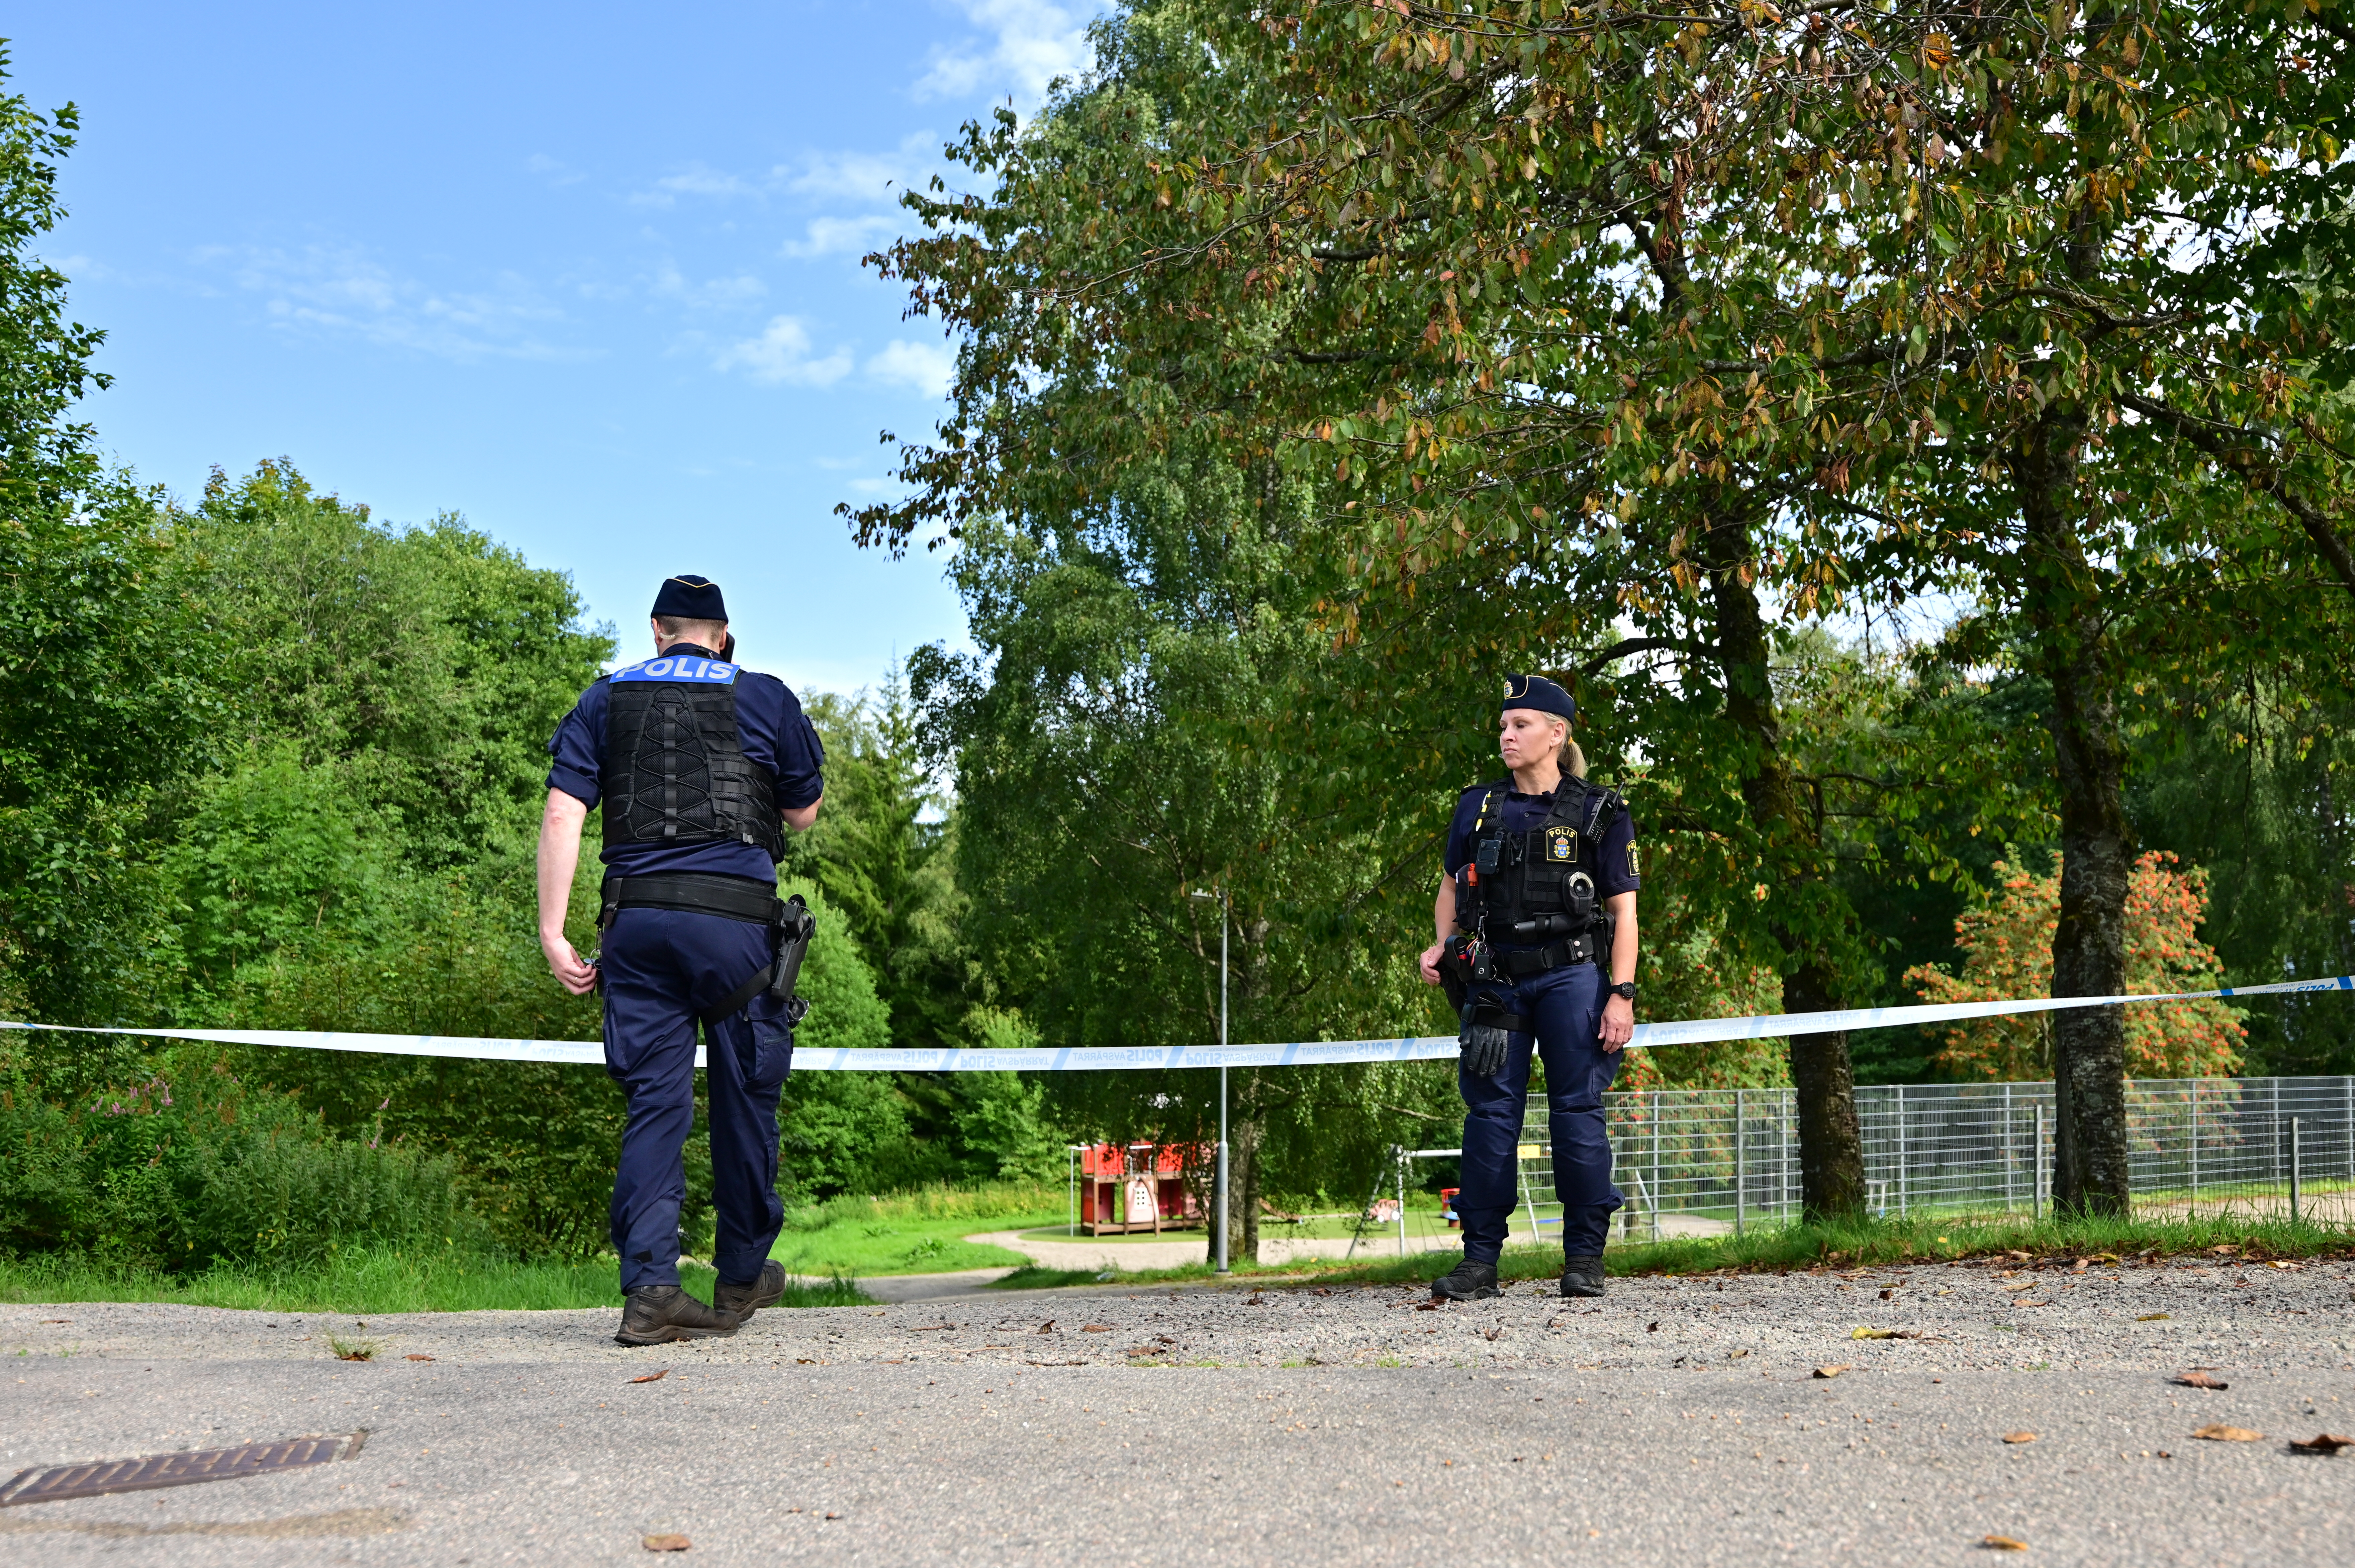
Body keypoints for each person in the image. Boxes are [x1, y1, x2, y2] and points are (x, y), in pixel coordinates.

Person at [538, 574, 826, 1345]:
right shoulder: (765, 695)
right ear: (722, 637)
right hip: (733, 931)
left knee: (655, 1105)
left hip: (635, 924)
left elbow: (565, 810)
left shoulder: (604, 698)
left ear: (657, 630)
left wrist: (553, 931)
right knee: (746, 1095)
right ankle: (739, 1277)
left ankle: (651, 1291)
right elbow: (802, 813)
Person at [1418, 674, 1639, 1301]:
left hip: (1574, 976)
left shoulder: (1602, 810)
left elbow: (1624, 913)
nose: (1506, 736)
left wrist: (1621, 994)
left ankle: (1585, 1260)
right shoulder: (1478, 808)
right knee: (1490, 1117)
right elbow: (1450, 890)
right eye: (1503, 727)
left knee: (1577, 1114)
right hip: (1496, 981)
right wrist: (1443, 945)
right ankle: (1479, 1264)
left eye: (1520, 725)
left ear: (1557, 734)